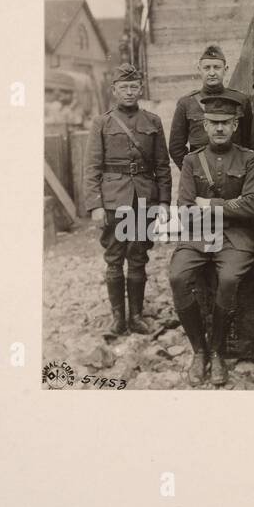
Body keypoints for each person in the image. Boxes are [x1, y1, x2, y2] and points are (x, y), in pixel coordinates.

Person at [167, 93, 254, 386]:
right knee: (178, 276)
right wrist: (231, 206)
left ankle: (218, 350)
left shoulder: (249, 159)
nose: (219, 128)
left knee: (230, 278)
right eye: (213, 123)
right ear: (204, 126)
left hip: (236, 237)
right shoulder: (191, 161)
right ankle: (200, 351)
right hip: (197, 235)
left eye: (225, 123)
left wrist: (209, 205)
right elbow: (184, 209)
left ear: (235, 125)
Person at [82, 63, 172, 336]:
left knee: (138, 255)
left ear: (141, 89)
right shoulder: (102, 122)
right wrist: (95, 204)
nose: (129, 92)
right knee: (113, 256)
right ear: (114, 91)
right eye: (124, 88)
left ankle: (136, 316)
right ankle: (117, 319)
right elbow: (91, 167)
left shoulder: (153, 121)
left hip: (143, 197)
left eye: (134, 87)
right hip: (113, 199)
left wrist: (164, 203)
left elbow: (162, 166)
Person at [168, 44, 251, 168]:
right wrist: (192, 171)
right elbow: (176, 147)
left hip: (234, 169)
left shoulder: (241, 100)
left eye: (217, 67)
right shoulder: (186, 103)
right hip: (201, 171)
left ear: (226, 69)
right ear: (199, 70)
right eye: (207, 68)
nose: (212, 73)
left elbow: (248, 141)